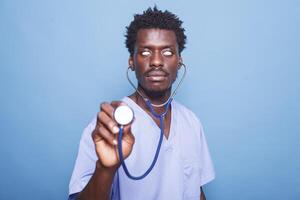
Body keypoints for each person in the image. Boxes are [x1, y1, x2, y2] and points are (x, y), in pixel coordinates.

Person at [68, 6, 215, 200]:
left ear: (179, 61)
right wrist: (105, 168)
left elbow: (196, 192)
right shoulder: (109, 126)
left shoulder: (191, 122)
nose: (156, 61)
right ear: (131, 61)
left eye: (168, 52)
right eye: (145, 53)